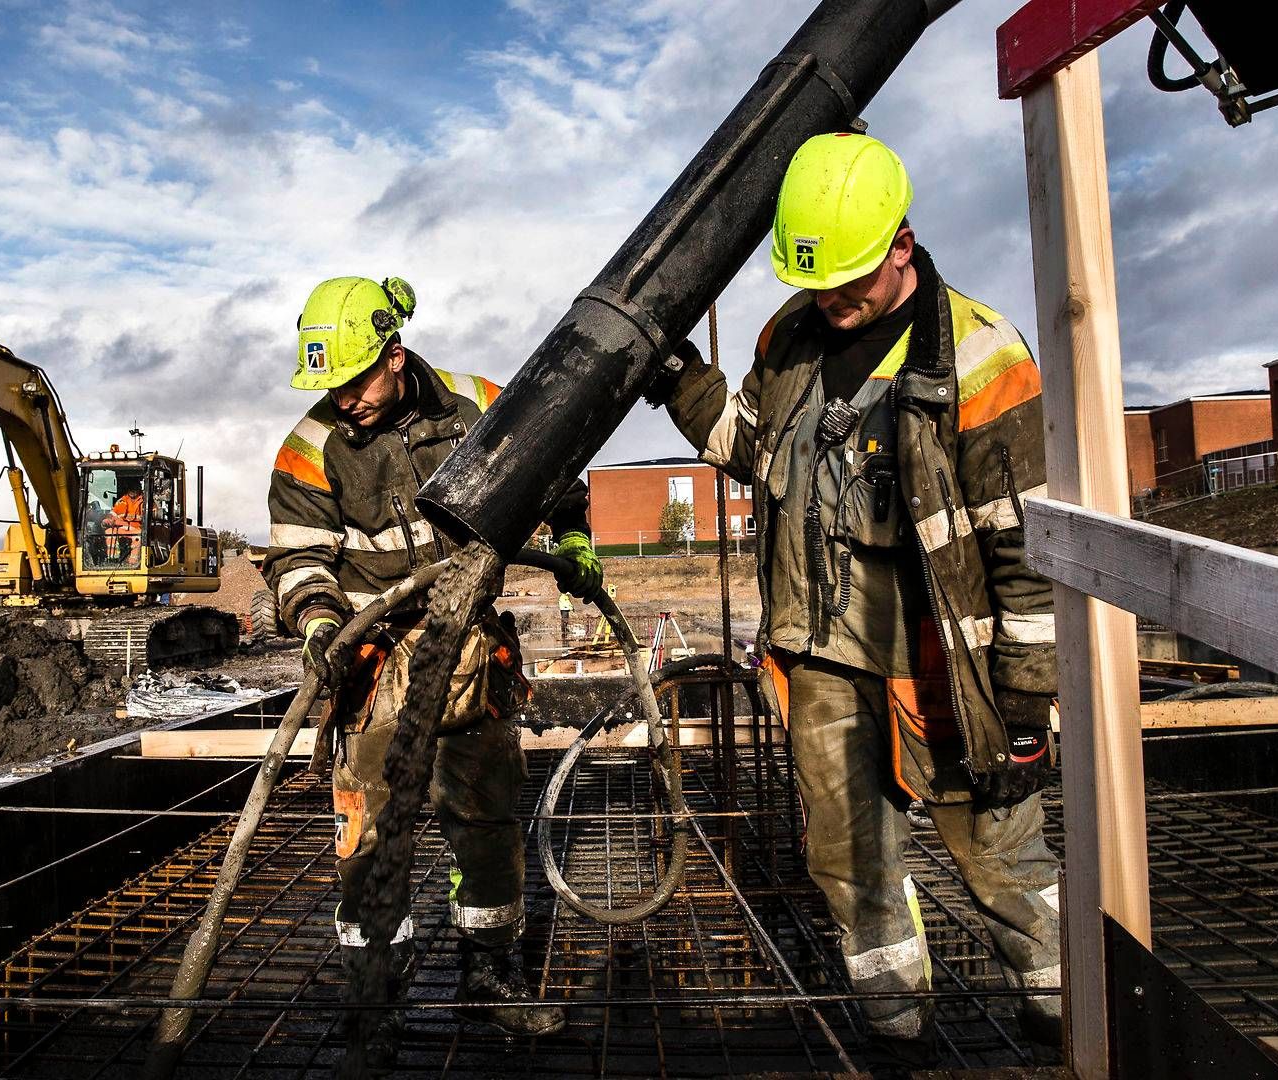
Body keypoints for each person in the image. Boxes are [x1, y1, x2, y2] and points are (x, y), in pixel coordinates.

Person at [645, 133, 1062, 1060]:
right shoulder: (789, 337)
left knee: (995, 850)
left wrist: (1029, 690)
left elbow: (1024, 541)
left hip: (939, 663)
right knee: (846, 857)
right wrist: (681, 384)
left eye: (852, 282)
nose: (834, 302)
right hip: (819, 655)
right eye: (818, 283)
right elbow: (754, 448)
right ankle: (897, 1027)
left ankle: (1065, 1004)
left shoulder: (982, 357)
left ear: (902, 246)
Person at [263, 276, 602, 1041]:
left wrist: (573, 537)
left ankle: (488, 973)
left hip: (470, 655)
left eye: (351, 380)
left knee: (484, 822)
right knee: (368, 833)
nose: (340, 398)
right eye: (327, 384)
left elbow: (553, 472)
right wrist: (321, 626)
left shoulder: (478, 405)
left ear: (394, 353)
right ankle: (375, 992)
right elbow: (297, 561)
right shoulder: (309, 451)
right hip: (372, 663)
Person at [104, 481, 144, 564]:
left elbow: (154, 515)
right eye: (131, 489)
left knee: (138, 536)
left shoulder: (145, 502)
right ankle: (112, 560)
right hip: (121, 527)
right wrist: (108, 520)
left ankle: (133, 562)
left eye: (135, 489)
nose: (133, 492)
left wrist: (138, 518)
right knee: (109, 532)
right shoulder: (121, 501)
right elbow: (112, 514)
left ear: (139, 489)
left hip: (136, 528)